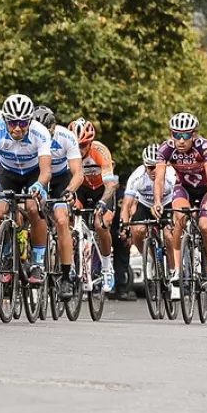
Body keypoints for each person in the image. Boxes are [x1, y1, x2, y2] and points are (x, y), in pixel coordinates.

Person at [0, 94, 51, 285]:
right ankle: (6, 252)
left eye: (23, 123)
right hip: (8, 173)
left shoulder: (40, 132)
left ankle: (38, 262)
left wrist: (39, 185)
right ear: (5, 120)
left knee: (34, 209)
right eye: (13, 122)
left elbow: (46, 170)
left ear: (30, 121)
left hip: (34, 174)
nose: (17, 128)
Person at [152, 112, 207, 300]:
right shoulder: (166, 148)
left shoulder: (204, 147)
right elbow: (158, 179)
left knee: (206, 226)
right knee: (179, 219)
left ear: (194, 135)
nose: (180, 140)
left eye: (185, 135)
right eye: (176, 135)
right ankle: (176, 274)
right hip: (184, 188)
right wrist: (157, 201)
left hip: (206, 189)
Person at [33, 105, 83, 301]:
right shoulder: (30, 135)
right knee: (32, 213)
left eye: (49, 132)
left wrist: (70, 190)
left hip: (61, 180)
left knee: (62, 220)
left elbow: (78, 173)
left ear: (54, 128)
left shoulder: (66, 137)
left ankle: (65, 276)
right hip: (39, 178)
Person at [121, 144, 178, 298]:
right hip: (145, 205)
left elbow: (179, 199)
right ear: (144, 165)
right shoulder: (137, 176)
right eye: (150, 168)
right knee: (137, 230)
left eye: (157, 167)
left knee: (169, 234)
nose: (154, 171)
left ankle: (174, 272)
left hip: (167, 203)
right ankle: (150, 257)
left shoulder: (171, 175)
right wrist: (124, 226)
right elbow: (126, 205)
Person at [70, 118, 119, 292]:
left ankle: (106, 267)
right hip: (82, 190)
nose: (80, 150)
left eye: (83, 146)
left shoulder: (100, 151)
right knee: (68, 217)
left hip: (102, 190)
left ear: (90, 143)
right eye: (76, 146)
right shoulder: (68, 153)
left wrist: (102, 203)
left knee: (101, 225)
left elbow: (111, 185)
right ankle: (73, 262)